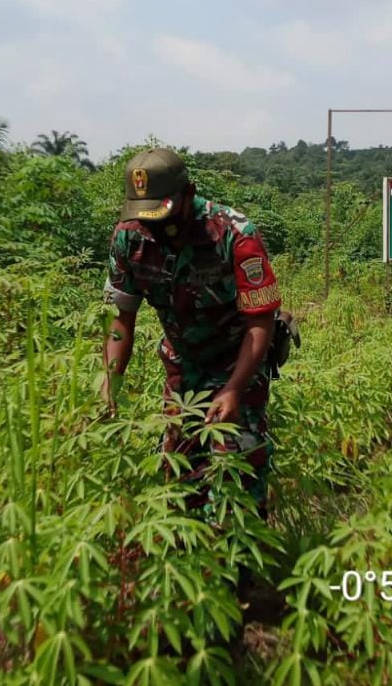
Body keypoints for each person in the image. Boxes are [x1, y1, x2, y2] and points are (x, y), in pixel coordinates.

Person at [100, 147, 281, 516]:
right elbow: (121, 318)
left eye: (161, 214)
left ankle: (241, 549)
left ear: (189, 193)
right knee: (181, 471)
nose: (152, 226)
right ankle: (190, 540)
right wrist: (109, 381)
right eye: (144, 215)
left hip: (238, 362)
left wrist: (234, 389)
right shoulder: (129, 237)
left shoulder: (234, 235)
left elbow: (260, 322)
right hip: (182, 366)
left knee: (237, 471)